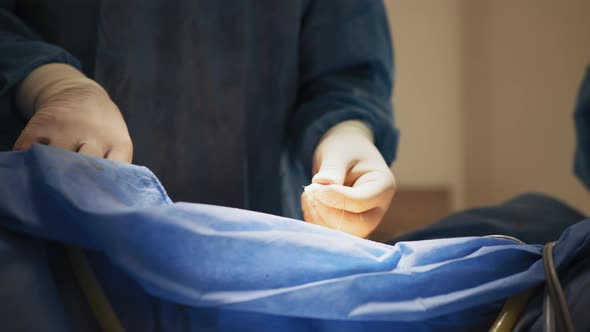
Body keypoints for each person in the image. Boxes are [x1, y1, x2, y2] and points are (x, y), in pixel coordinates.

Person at [0, 0, 399, 238]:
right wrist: (50, 82)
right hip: (44, 246)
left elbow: (346, 69)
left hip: (253, 247)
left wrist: (347, 133)